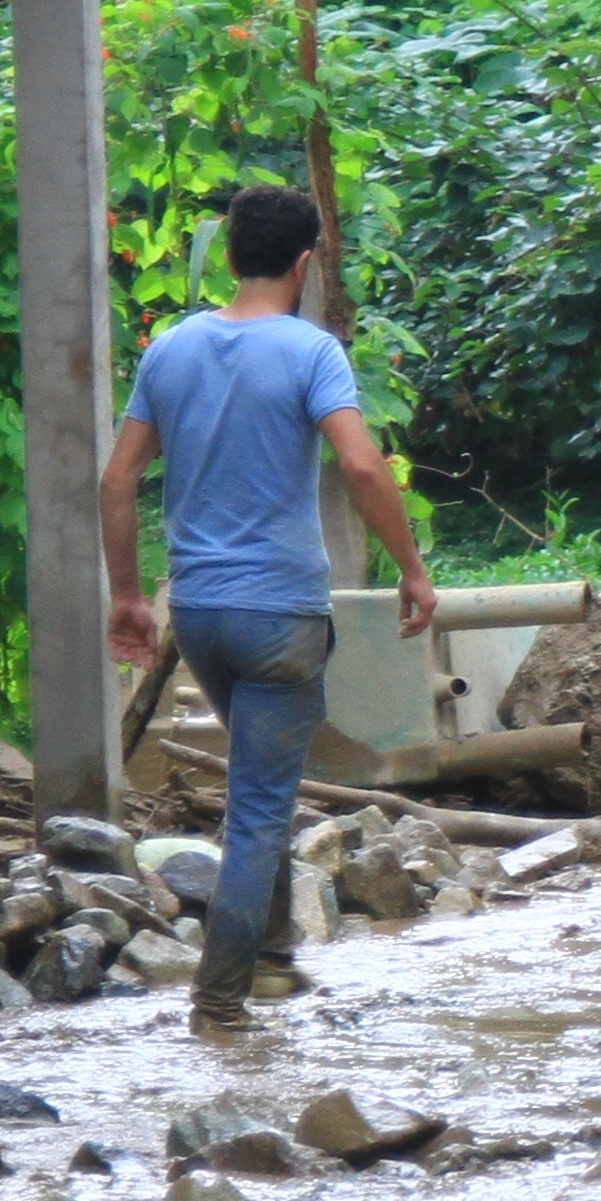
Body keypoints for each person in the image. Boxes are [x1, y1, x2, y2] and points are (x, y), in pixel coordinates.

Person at [103, 181, 440, 1033]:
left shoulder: (170, 351)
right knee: (257, 807)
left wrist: (129, 597)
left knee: (266, 787)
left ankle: (276, 958)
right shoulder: (311, 351)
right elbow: (362, 467)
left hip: (203, 617)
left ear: (226, 256)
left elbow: (116, 483)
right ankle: (219, 999)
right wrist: (411, 567)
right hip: (283, 615)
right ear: (305, 264)